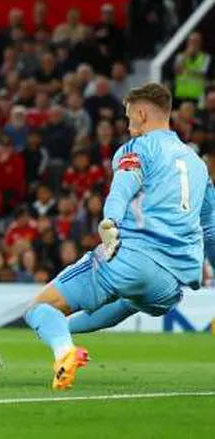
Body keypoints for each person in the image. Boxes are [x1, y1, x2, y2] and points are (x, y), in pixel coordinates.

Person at [23, 83, 212, 390]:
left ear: (141, 113)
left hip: (132, 259)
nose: (127, 124)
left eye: (128, 116)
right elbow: (211, 229)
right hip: (170, 286)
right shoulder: (198, 165)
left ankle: (64, 350)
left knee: (39, 308)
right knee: (129, 299)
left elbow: (122, 187)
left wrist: (109, 221)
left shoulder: (139, 148)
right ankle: (64, 333)